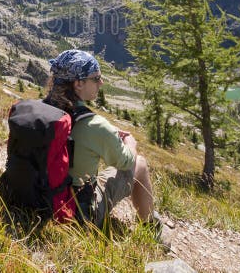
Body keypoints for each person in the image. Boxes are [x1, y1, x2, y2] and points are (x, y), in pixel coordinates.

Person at [44, 49, 168, 238]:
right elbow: (126, 162)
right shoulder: (95, 126)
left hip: (39, 197)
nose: (101, 82)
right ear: (78, 83)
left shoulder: (41, 110)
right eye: (96, 78)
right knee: (139, 164)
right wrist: (129, 143)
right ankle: (152, 229)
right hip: (78, 214)